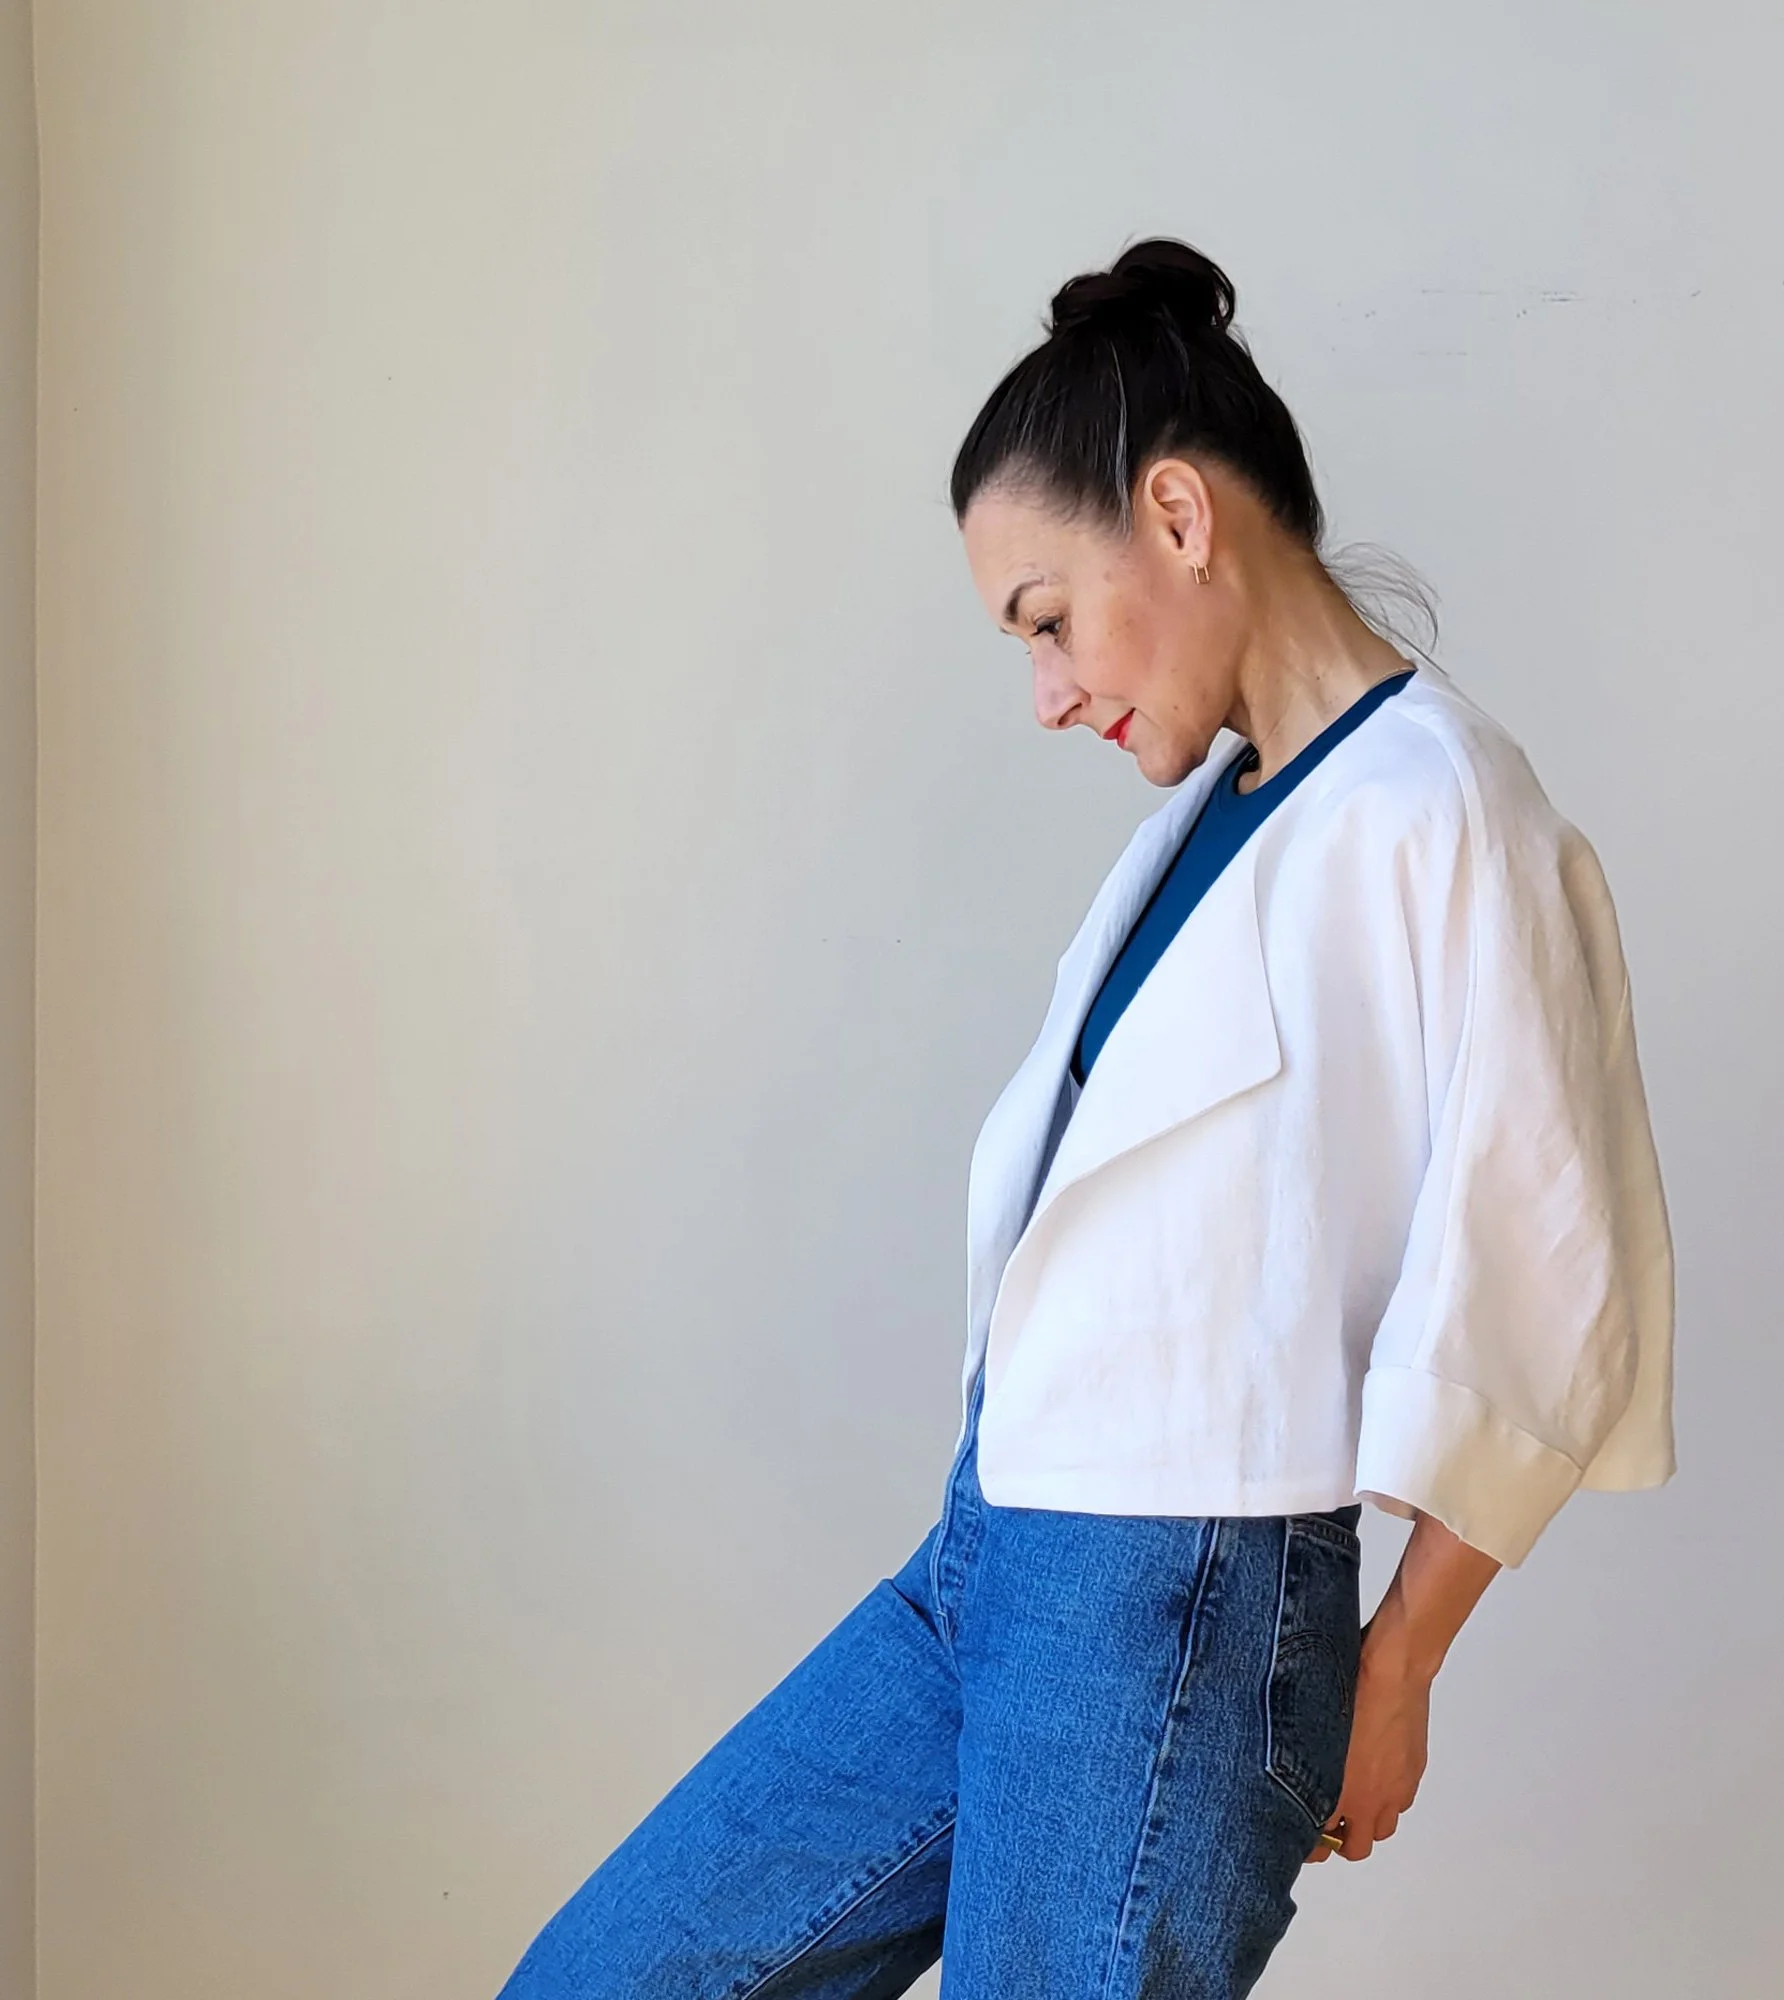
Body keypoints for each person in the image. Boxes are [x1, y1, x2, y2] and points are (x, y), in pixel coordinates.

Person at [496, 237, 1675, 1999]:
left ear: (1179, 516)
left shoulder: (1444, 808)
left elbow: (1559, 1265)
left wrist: (1400, 1663)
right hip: (993, 1545)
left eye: (1047, 619)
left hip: (1174, 1605)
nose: (1047, 692)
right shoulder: (1228, 807)